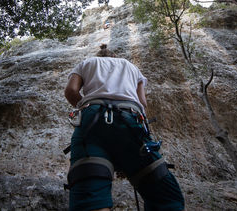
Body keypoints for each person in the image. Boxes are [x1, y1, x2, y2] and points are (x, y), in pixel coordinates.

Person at [64, 44, 185, 211]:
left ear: (99, 55)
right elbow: (142, 103)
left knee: (90, 196)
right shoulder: (131, 66)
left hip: (92, 119)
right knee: (165, 197)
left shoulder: (87, 62)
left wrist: (86, 106)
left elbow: (71, 90)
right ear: (114, 56)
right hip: (129, 118)